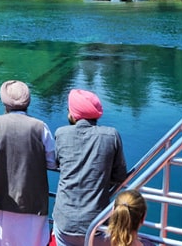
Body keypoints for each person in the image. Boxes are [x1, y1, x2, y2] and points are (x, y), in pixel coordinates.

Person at [0, 80, 56, 246]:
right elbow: (52, 162)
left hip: (1, 199)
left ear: (5, 103)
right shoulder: (41, 127)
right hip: (33, 201)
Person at [52, 89, 127, 246]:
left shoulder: (61, 134)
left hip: (65, 223)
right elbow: (120, 176)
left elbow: (58, 163)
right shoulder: (111, 135)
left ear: (73, 114)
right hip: (98, 224)